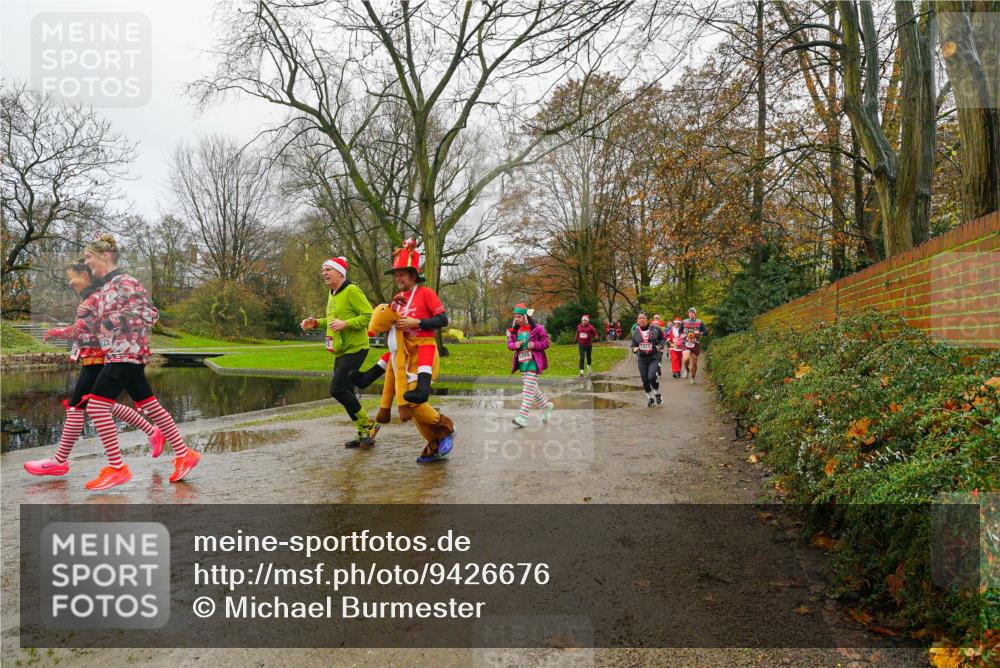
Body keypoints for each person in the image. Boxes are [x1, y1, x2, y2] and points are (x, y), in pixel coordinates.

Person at [58, 235, 199, 489]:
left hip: (127, 352)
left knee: (97, 406)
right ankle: (184, 453)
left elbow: (150, 313)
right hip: (121, 352)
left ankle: (116, 468)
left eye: (89, 257)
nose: (86, 263)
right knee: (151, 406)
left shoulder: (125, 281)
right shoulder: (108, 286)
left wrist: (112, 323)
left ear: (105, 256)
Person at [25, 261, 165, 480]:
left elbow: (83, 328)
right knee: (102, 406)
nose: (70, 281)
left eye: (72, 277)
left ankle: (60, 461)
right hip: (95, 357)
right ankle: (152, 431)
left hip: (98, 358)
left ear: (85, 275)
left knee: (76, 407)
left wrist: (55, 331)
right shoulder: (94, 296)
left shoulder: (96, 297)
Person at [351, 240, 455, 463]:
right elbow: (388, 333)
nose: (398, 278)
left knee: (414, 402)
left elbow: (443, 319)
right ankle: (434, 444)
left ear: (413, 274)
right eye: (396, 274)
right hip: (402, 356)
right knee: (408, 402)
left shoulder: (426, 293)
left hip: (424, 353)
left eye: (403, 274)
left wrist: (417, 322)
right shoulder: (396, 302)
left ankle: (446, 427)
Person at [301, 257, 378, 448]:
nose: (324, 273)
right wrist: (317, 323)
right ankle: (363, 433)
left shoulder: (352, 290)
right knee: (346, 391)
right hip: (341, 350)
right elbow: (333, 320)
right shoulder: (333, 293)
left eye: (328, 270)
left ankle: (368, 424)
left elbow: (369, 315)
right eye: (323, 270)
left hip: (356, 348)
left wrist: (347, 324)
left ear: (340, 272)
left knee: (337, 389)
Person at [507, 304, 554, 427]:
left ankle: (522, 417)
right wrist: (515, 345)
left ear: (525, 317)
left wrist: (534, 345)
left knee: (527, 390)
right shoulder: (514, 331)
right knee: (533, 389)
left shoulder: (538, 329)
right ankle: (546, 406)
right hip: (522, 363)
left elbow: (546, 343)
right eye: (515, 317)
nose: (516, 319)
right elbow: (509, 344)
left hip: (534, 363)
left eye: (519, 317)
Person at [630, 312, 665, 406]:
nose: (641, 320)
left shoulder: (656, 329)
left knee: (651, 377)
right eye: (639, 318)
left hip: (654, 357)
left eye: (643, 318)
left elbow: (662, 339)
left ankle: (657, 393)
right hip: (642, 359)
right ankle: (650, 397)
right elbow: (633, 345)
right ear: (637, 320)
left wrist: (660, 345)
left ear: (647, 319)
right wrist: (634, 349)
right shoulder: (636, 332)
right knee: (644, 379)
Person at [681, 307, 709, 385]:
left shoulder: (699, 322)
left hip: (695, 343)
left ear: (695, 314)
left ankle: (693, 377)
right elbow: (680, 331)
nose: (691, 314)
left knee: (694, 363)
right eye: (690, 312)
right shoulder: (684, 321)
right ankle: (687, 370)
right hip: (686, 342)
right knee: (686, 359)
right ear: (688, 313)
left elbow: (706, 332)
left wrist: (700, 333)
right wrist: (681, 335)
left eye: (693, 312)